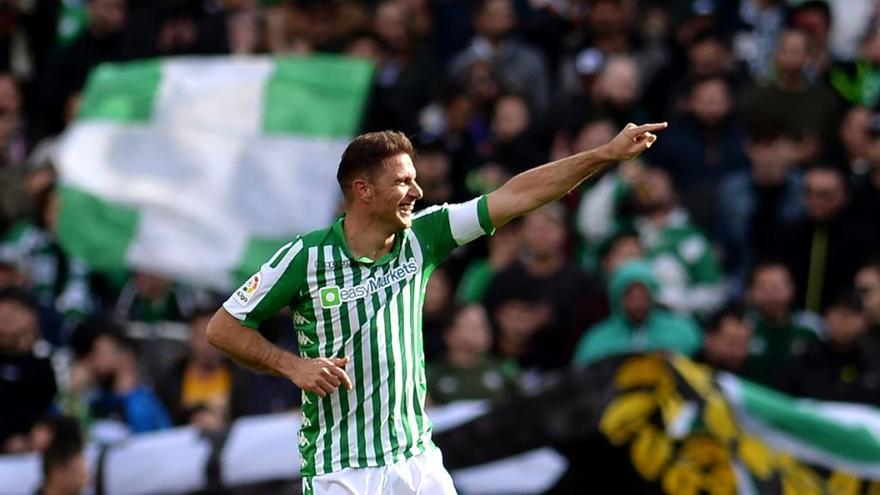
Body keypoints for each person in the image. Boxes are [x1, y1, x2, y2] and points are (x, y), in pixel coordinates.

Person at [207, 122, 666, 494]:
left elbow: (518, 196)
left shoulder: (424, 237)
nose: (417, 191)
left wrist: (603, 155)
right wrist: (292, 366)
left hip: (416, 462)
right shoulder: (306, 258)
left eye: (415, 179)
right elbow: (223, 328)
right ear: (363, 190)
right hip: (341, 471)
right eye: (402, 182)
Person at [571, 260, 702, 367]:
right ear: (618, 299)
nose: (639, 304)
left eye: (644, 296)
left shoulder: (682, 331)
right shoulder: (596, 340)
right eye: (631, 297)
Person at [426, 304, 519, 405]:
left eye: (485, 325)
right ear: (449, 334)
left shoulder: (505, 370)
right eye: (474, 327)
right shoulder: (430, 376)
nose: (483, 332)